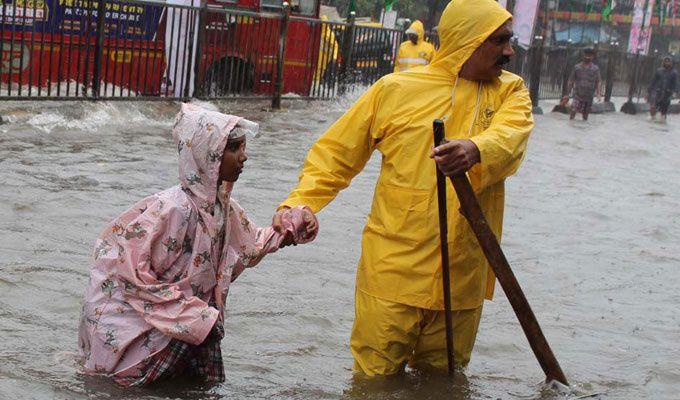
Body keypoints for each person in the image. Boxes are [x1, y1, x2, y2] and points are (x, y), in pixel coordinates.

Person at [274, 0, 533, 376]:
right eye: (500, 40)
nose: (509, 51)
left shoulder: (510, 92)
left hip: (463, 277)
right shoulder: (394, 90)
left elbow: (513, 138)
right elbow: (336, 154)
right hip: (392, 272)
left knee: (443, 382)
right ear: (469, 40)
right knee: (373, 381)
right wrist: (300, 203)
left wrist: (476, 149)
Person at [78, 103, 318, 386]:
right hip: (157, 329)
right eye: (233, 149)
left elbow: (252, 244)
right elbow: (131, 274)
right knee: (134, 389)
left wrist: (294, 226)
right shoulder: (173, 209)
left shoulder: (224, 209)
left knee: (195, 387)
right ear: (209, 156)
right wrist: (194, 315)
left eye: (242, 147)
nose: (244, 157)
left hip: (193, 325)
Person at [567, 48, 601, 121]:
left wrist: (598, 93)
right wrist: (568, 93)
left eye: (590, 56)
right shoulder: (577, 67)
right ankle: (571, 123)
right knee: (573, 110)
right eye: (586, 55)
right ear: (583, 55)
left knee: (585, 116)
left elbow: (598, 81)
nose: (587, 57)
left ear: (593, 57)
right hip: (577, 93)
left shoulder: (595, 69)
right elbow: (571, 80)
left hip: (589, 95)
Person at [648, 56, 678, 121]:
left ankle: (662, 118)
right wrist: (649, 91)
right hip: (657, 91)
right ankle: (652, 117)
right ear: (663, 62)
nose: (667, 63)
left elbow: (675, 84)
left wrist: (674, 92)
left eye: (668, 61)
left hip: (667, 93)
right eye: (665, 61)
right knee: (653, 106)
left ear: (671, 63)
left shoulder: (674, 73)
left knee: (663, 109)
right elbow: (653, 81)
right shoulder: (659, 71)